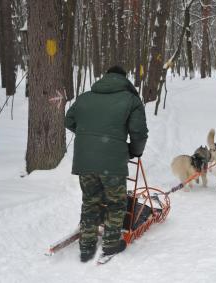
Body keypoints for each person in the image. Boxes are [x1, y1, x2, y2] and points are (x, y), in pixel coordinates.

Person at [65, 65, 148, 262]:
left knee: (90, 200)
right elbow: (139, 132)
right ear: (124, 79)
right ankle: (111, 244)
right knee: (116, 202)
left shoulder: (85, 97)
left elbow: (69, 120)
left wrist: (89, 137)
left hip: (85, 160)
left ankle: (86, 246)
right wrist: (134, 151)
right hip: (113, 162)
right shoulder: (131, 100)